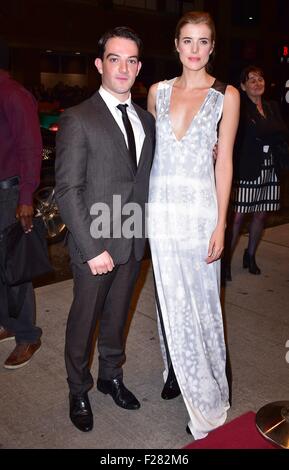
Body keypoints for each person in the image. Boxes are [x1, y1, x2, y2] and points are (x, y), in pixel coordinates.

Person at [55, 27, 155, 433]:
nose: (123, 67)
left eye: (131, 60)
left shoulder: (147, 119)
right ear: (100, 64)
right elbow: (67, 189)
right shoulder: (78, 118)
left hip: (133, 239)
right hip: (93, 244)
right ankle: (77, 387)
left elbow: (147, 178)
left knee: (117, 318)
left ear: (139, 67)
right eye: (115, 58)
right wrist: (92, 247)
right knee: (85, 320)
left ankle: (111, 375)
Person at [147, 11, 239, 439]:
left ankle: (208, 391)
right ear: (176, 44)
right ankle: (176, 372)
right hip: (162, 212)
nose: (195, 49)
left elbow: (225, 163)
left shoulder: (227, 96)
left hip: (201, 212)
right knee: (169, 299)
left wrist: (221, 224)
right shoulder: (157, 92)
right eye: (188, 40)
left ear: (213, 46)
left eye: (203, 41)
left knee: (203, 305)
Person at [0, 40, 43, 369]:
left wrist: (26, 197)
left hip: (10, 193)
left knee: (15, 267)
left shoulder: (14, 95)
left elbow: (31, 149)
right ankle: (7, 322)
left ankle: (27, 334)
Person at [224, 66, 289, 280]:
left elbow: (282, 131)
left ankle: (250, 255)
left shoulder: (272, 107)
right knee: (238, 217)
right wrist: (271, 132)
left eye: (260, 78)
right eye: (251, 80)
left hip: (270, 169)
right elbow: (267, 131)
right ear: (243, 86)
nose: (257, 83)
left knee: (262, 214)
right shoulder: (240, 109)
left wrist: (269, 132)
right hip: (248, 169)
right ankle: (225, 262)